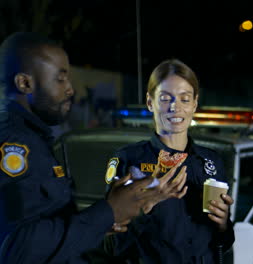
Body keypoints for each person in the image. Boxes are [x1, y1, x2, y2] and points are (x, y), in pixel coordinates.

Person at [0, 32, 187, 263]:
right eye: (60, 79)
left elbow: (46, 226)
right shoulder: (14, 144)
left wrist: (103, 220)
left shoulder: (34, 138)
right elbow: (16, 249)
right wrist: (108, 211)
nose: (70, 89)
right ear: (25, 83)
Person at [98, 59, 235, 263]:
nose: (175, 107)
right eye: (165, 98)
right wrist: (147, 206)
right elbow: (111, 247)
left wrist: (223, 224)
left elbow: (222, 244)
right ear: (150, 102)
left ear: (195, 104)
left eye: (184, 99)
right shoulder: (129, 160)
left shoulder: (211, 161)